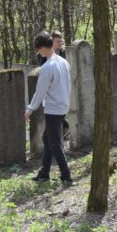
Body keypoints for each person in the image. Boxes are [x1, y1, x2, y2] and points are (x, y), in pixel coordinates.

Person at [25, 31, 73, 184]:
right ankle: (44, 173)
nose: (39, 53)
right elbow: (69, 85)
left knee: (54, 144)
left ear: (42, 48)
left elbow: (40, 91)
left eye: (39, 50)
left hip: (53, 109)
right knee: (47, 139)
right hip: (62, 106)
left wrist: (30, 109)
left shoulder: (47, 67)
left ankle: (66, 176)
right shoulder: (64, 62)